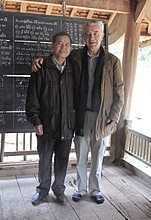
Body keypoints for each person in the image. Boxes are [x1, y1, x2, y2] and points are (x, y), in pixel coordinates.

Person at [31, 20, 124, 204]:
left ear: (102, 36)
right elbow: (57, 57)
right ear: (83, 37)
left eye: (96, 33)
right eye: (88, 34)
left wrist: (114, 117)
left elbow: (119, 90)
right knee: (80, 156)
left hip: (102, 117)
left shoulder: (112, 61)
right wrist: (39, 60)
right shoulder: (75, 57)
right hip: (79, 116)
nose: (92, 38)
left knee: (97, 157)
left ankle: (95, 190)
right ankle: (80, 189)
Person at [25, 32, 75, 206]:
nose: (63, 47)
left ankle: (59, 190)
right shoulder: (41, 68)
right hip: (46, 125)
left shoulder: (74, 69)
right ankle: (42, 190)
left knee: (62, 160)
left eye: (67, 44)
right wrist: (35, 120)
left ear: (71, 48)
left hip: (67, 125)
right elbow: (33, 97)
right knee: (45, 160)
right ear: (52, 46)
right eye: (60, 44)